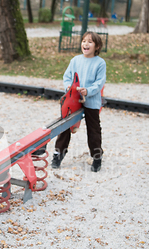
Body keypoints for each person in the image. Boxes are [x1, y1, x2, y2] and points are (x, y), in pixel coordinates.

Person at [51, 31, 106, 172]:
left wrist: (87, 91)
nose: (85, 44)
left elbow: (100, 83)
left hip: (91, 98)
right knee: (65, 125)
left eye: (90, 42)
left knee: (93, 128)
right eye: (83, 41)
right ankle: (58, 154)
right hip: (73, 98)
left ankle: (97, 156)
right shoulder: (75, 60)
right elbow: (67, 76)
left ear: (97, 46)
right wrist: (69, 87)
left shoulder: (100, 63)